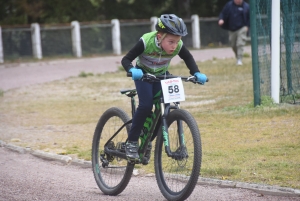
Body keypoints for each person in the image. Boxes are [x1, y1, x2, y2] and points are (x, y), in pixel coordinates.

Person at [121, 14, 207, 163]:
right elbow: (126, 59)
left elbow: (188, 58)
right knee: (146, 105)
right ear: (159, 37)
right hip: (143, 75)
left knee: (164, 109)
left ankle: (147, 141)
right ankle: (132, 142)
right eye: (171, 42)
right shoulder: (146, 41)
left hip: (162, 75)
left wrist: (196, 73)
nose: (175, 46)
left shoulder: (177, 45)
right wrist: (132, 69)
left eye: (178, 41)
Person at [218, 0, 250, 65]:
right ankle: (238, 57)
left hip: (242, 28)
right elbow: (223, 13)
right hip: (231, 29)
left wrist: (247, 26)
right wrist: (221, 19)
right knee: (233, 45)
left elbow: (250, 17)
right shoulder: (229, 5)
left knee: (240, 44)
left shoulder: (246, 6)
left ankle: (239, 59)